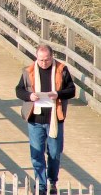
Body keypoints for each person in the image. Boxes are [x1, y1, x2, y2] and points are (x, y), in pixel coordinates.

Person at [15, 44, 75, 195]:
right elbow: (19, 90)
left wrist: (58, 94)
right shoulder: (28, 71)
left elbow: (72, 90)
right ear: (36, 57)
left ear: (52, 56)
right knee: (37, 154)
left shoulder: (62, 69)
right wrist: (29, 96)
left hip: (55, 119)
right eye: (41, 60)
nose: (43, 63)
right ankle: (41, 185)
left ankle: (52, 181)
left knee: (54, 153)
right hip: (35, 120)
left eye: (47, 60)